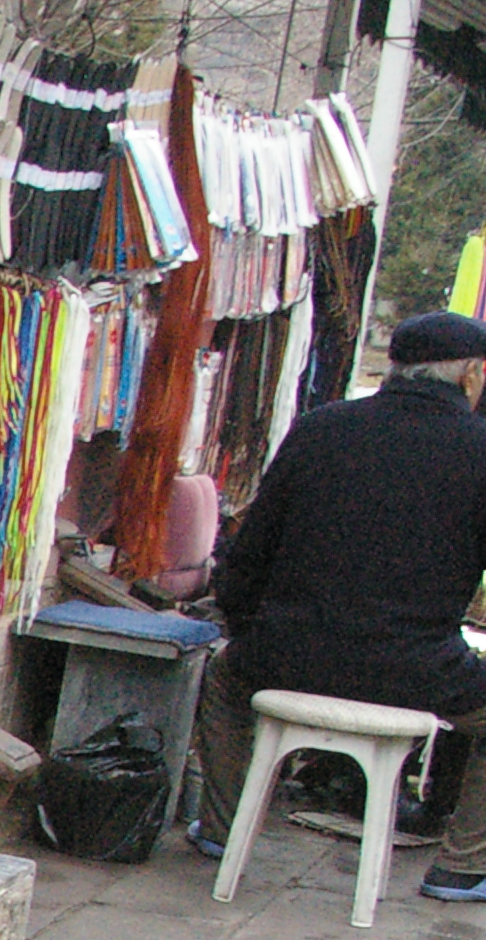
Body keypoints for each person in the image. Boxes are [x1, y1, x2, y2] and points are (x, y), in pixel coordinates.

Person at [195, 310, 486, 898]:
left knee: (224, 677)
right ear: (473, 376)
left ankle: (223, 832)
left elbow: (249, 554)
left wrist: (247, 625)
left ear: (397, 368)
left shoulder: (321, 427)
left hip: (288, 653)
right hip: (417, 671)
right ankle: (462, 866)